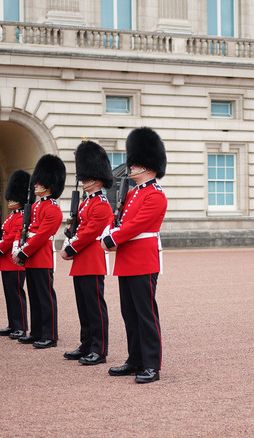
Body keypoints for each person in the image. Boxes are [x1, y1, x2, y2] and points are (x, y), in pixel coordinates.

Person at [102, 127, 167, 384]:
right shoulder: (131, 193)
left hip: (143, 259)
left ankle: (152, 364)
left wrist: (112, 237)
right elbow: (120, 220)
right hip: (126, 259)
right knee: (129, 314)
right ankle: (135, 359)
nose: (131, 168)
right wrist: (109, 231)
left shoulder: (155, 195)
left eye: (136, 164)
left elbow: (136, 225)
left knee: (146, 314)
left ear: (148, 166)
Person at [61, 141, 113, 366]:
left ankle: (99, 349)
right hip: (82, 260)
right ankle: (86, 344)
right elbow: (79, 228)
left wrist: (70, 247)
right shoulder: (85, 203)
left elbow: (90, 233)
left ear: (97, 178)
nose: (83, 181)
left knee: (94, 307)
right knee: (83, 306)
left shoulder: (101, 204)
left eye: (86, 177)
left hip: (92, 259)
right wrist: (69, 238)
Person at [13, 154, 65, 349]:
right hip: (31, 257)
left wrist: (23, 252)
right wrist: (19, 248)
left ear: (49, 184)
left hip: (41, 257)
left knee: (44, 297)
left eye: (39, 181)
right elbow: (25, 230)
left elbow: (42, 235)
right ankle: (36, 331)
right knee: (34, 296)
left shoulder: (52, 208)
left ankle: (50, 334)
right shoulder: (35, 206)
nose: (35, 184)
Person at [0, 169, 30, 340]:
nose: (10, 200)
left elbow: (10, 239)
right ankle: (12, 323)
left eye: (13, 197)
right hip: (6, 262)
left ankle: (20, 326)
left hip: (15, 262)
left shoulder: (21, 217)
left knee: (16, 294)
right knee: (9, 294)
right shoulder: (10, 216)